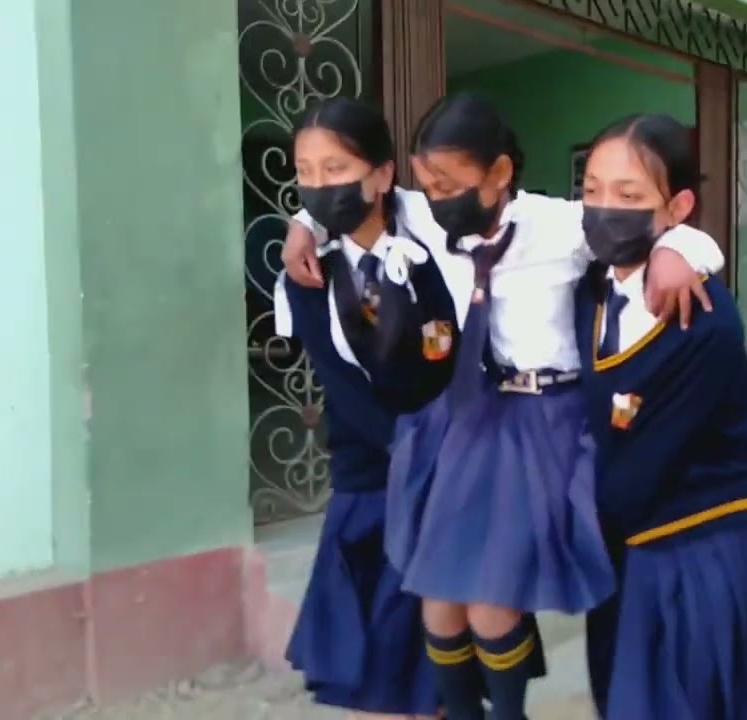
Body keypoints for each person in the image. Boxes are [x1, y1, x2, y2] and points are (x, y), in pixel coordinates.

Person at [281, 93, 726, 720]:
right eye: (429, 184)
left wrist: (682, 254)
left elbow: (665, 231)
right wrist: (304, 224)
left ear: (499, 173)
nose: (437, 197)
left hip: (543, 419)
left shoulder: (561, 226)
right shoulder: (429, 220)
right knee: (438, 601)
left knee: (492, 602)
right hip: (470, 416)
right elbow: (358, 198)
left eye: (451, 184)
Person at [575, 113, 747, 720]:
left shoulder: (702, 319)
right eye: (592, 190)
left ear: (677, 206)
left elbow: (642, 469)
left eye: (629, 196)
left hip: (693, 559)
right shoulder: (589, 291)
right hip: (621, 553)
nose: (605, 210)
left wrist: (555, 529)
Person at [272, 96, 458, 720]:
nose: (320, 186)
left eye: (336, 169)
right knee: (374, 676)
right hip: (370, 488)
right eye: (305, 172)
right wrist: (412, 450)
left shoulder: (438, 252)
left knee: (438, 676)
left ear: (381, 175)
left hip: (444, 481)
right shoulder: (306, 276)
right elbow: (343, 388)